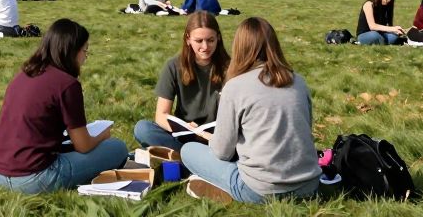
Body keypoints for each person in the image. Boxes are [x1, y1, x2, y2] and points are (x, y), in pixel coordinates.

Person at [181, 17, 319, 203]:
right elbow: (304, 129)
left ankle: (226, 190)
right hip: (309, 185)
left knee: (188, 150)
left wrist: (210, 138)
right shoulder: (298, 82)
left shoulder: (235, 86)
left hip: (260, 190)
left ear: (240, 47)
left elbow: (222, 152)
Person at [0, 18, 129, 193]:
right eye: (85, 50)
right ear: (71, 51)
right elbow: (83, 145)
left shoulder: (25, 73)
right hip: (34, 178)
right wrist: (103, 135)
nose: (86, 56)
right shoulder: (67, 84)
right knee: (117, 148)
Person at [134, 11, 229, 152]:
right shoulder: (173, 65)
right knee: (143, 129)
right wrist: (186, 127)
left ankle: (185, 158)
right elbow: (161, 115)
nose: (205, 47)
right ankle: (190, 157)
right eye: (199, 41)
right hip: (184, 135)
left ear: (218, 38)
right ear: (188, 39)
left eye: (210, 40)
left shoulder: (230, 68)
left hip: (216, 138)